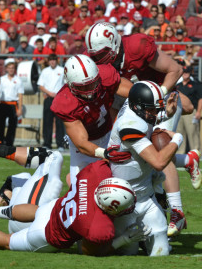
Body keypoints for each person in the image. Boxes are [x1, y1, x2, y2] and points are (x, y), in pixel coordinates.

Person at [0, 122, 149, 256]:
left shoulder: (95, 175)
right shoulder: (100, 227)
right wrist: (124, 240)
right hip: (45, 235)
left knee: (37, 210)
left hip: (50, 210)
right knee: (8, 243)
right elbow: (87, 250)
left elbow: (75, 176)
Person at [84, 22, 200, 237]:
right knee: (136, 154)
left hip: (156, 97)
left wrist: (159, 100)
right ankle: (186, 161)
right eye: (95, 56)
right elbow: (114, 98)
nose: (99, 60)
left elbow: (175, 69)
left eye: (102, 54)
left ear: (115, 45)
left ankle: (177, 211)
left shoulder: (137, 46)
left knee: (159, 146)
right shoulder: (98, 64)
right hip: (132, 102)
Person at [109, 80, 181, 256]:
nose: (155, 113)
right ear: (138, 107)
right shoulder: (129, 125)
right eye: (152, 109)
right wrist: (177, 139)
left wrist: (166, 113)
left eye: (157, 109)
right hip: (124, 202)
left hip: (146, 197)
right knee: (129, 252)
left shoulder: (136, 109)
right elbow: (158, 162)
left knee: (161, 251)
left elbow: (147, 115)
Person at [51, 54, 133, 184]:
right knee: (79, 188)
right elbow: (82, 144)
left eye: (92, 83)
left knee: (121, 182)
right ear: (70, 85)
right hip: (85, 144)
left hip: (109, 134)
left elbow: (135, 93)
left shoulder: (105, 75)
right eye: (83, 87)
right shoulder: (65, 102)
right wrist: (105, 154)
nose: (90, 90)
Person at [37, 54, 65, 150]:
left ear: (57, 61)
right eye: (51, 60)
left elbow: (66, 84)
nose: (52, 62)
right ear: (48, 61)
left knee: (59, 122)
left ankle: (60, 144)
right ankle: (47, 143)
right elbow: (40, 85)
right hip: (48, 98)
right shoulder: (45, 71)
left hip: (59, 98)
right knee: (47, 121)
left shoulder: (61, 70)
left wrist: (60, 94)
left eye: (54, 60)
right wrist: (49, 93)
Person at [0, 58, 24, 146]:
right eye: (9, 68)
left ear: (14, 69)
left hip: (13, 104)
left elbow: (20, 95)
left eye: (12, 68)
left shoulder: (18, 80)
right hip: (3, 103)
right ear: (6, 69)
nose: (11, 69)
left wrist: (20, 109)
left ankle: (9, 143)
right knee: (0, 124)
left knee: (12, 125)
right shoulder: (1, 79)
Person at [176, 66, 202, 155]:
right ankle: (180, 153)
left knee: (193, 133)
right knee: (179, 133)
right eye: (184, 72)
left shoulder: (195, 85)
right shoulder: (178, 85)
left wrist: (198, 112)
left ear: (190, 73)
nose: (185, 74)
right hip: (179, 112)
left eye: (187, 72)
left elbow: (200, 99)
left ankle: (196, 152)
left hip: (191, 113)